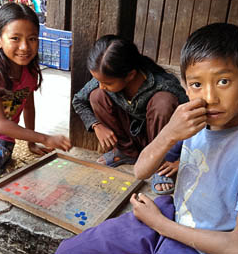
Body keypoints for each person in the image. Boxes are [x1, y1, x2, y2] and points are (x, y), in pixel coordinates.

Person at [55, 23, 238, 254]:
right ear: (186, 86)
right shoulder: (197, 122)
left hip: (207, 247)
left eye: (223, 81)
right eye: (196, 84)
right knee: (70, 251)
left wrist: (160, 225)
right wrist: (170, 132)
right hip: (175, 217)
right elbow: (140, 171)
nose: (210, 97)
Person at [0, 2, 72, 201]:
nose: (25, 47)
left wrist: (31, 143)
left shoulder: (29, 71)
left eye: (32, 39)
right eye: (15, 38)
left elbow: (28, 106)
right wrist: (45, 138)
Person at [72, 34, 188, 194]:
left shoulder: (163, 85)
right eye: (98, 81)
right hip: (130, 137)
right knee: (96, 95)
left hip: (158, 141)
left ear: (130, 75)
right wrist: (96, 125)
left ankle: (158, 165)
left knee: (164, 102)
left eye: (107, 83)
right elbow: (78, 101)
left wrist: (180, 160)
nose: (102, 85)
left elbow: (191, 117)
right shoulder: (105, 78)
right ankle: (127, 152)